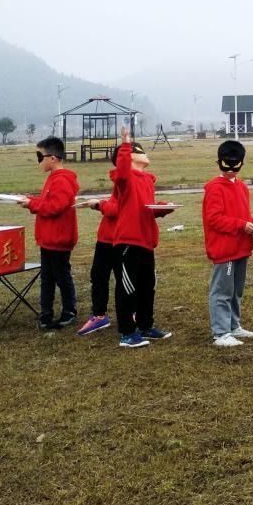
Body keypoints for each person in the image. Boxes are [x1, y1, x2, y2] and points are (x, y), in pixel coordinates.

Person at [112, 125, 171, 348]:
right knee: (127, 288)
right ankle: (127, 333)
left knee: (148, 286)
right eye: (141, 150)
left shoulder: (146, 180)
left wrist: (163, 208)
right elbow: (122, 170)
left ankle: (146, 326)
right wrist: (125, 143)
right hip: (128, 241)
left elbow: (146, 208)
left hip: (147, 240)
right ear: (131, 156)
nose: (147, 154)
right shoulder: (125, 178)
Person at [203, 140, 253, 348]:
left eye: (235, 166)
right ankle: (221, 332)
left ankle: (233, 325)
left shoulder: (242, 187)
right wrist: (241, 224)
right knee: (222, 291)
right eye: (227, 165)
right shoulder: (214, 188)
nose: (230, 171)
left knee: (236, 290)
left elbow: (242, 215)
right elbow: (214, 219)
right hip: (224, 249)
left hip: (241, 247)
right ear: (219, 162)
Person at [19, 137, 80, 331]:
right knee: (47, 278)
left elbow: (55, 206)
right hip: (48, 239)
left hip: (59, 239)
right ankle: (46, 314)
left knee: (61, 276)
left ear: (52, 158)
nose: (39, 161)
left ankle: (69, 311)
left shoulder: (62, 179)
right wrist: (29, 200)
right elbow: (48, 201)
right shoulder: (53, 178)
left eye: (40, 156)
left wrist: (32, 204)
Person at [74, 168, 119, 336]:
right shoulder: (121, 183)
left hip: (122, 239)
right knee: (98, 276)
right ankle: (99, 315)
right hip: (105, 238)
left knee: (124, 280)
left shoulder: (133, 182)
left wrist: (99, 204)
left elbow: (118, 209)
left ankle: (131, 314)